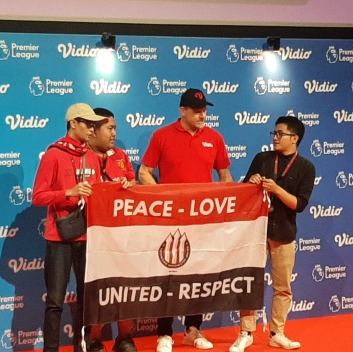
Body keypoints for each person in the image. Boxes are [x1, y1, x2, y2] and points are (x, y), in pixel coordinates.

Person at [138, 88, 233, 352]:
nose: (202, 114)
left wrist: (226, 204)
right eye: (196, 110)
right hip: (170, 220)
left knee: (199, 274)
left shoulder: (214, 138)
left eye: (204, 110)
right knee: (168, 274)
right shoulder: (162, 136)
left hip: (204, 220)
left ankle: (193, 329)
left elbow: (225, 176)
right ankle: (164, 333)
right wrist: (164, 199)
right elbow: (144, 172)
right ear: (183, 111)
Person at [33, 102, 130, 352]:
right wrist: (69, 192)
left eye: (93, 124)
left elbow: (97, 192)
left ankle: (82, 348)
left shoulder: (90, 155)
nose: (91, 128)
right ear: (72, 123)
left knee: (87, 300)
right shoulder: (54, 153)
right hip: (59, 237)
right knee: (55, 301)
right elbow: (38, 196)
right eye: (86, 123)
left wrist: (119, 186)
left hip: (88, 236)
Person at [229, 116, 315, 352]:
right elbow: (245, 192)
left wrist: (276, 189)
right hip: (256, 232)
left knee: (283, 287)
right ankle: (246, 332)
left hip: (285, 232)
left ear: (294, 138)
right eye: (274, 134)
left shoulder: (306, 167)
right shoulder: (262, 158)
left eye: (280, 134)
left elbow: (299, 204)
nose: (275, 138)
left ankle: (278, 333)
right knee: (250, 284)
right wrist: (253, 182)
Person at [86, 107, 138, 352]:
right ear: (93, 130)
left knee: (126, 288)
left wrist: (129, 184)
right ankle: (94, 340)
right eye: (110, 128)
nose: (114, 133)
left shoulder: (121, 156)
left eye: (115, 127)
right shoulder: (82, 157)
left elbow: (134, 184)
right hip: (93, 237)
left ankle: (124, 338)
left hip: (123, 236)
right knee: (97, 290)